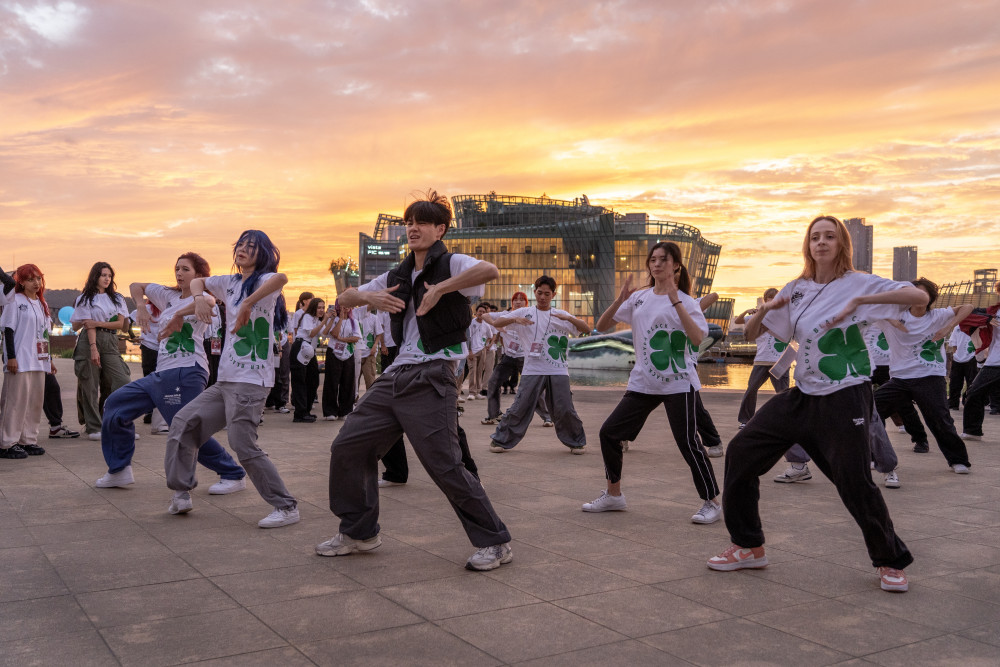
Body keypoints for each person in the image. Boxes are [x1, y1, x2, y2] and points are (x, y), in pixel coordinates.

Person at [707, 215, 926, 594]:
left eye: (829, 236)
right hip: (803, 396)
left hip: (845, 396)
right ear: (807, 245)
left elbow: (919, 297)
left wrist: (861, 300)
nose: (821, 242)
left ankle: (890, 561)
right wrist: (765, 307)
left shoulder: (860, 283)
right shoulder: (798, 288)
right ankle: (749, 546)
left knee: (854, 482)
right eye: (814, 237)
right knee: (741, 451)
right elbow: (754, 332)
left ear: (842, 243)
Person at [317, 190, 511, 571]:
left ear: (440, 229)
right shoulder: (397, 275)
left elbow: (490, 271)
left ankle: (495, 541)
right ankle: (359, 532)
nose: (413, 228)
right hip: (395, 373)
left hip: (434, 372)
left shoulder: (453, 262)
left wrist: (440, 288)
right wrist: (369, 299)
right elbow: (346, 296)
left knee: (444, 464)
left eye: (422, 222)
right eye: (409, 222)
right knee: (348, 446)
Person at [163, 230, 299, 528]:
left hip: (251, 382)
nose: (243, 250)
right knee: (184, 423)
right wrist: (198, 299)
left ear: (262, 253)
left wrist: (248, 303)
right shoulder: (229, 282)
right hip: (225, 381)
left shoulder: (264, 281)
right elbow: (199, 282)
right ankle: (182, 492)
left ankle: (286, 506)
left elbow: (282, 278)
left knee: (243, 444)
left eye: (251, 247)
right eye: (240, 245)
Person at [582, 243, 722, 524]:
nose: (656, 264)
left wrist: (675, 300)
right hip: (643, 382)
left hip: (678, 384)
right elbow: (602, 324)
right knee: (609, 432)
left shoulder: (688, 302)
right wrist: (620, 298)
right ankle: (614, 494)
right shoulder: (640, 298)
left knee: (688, 443)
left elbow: (697, 339)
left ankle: (711, 502)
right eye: (653, 260)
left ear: (676, 266)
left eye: (663, 260)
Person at [94, 253, 247, 493]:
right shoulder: (168, 295)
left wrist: (177, 314)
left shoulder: (204, 295)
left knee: (186, 428)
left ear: (198, 275)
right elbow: (137, 286)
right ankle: (119, 470)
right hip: (161, 373)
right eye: (177, 268)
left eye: (185, 269)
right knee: (116, 406)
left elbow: (207, 303)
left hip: (187, 371)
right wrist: (142, 306)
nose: (179, 273)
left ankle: (233, 473)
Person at [875, 278, 973, 472]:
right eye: (914, 293)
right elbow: (869, 307)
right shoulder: (894, 316)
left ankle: (958, 460)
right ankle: (871, 455)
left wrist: (948, 327)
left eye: (923, 294)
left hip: (930, 376)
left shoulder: (938, 315)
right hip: (900, 379)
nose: (919, 297)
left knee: (940, 419)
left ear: (930, 298)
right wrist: (890, 318)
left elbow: (968, 306)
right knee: (870, 411)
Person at [484, 275, 590, 454]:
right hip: (532, 368)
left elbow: (586, 329)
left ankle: (575, 441)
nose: (542, 297)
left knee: (564, 406)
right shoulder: (524, 312)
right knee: (521, 405)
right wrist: (514, 320)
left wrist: (570, 319)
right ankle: (501, 439)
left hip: (558, 369)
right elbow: (497, 322)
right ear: (535, 292)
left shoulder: (561, 315)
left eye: (547, 294)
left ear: (553, 294)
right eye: (539, 293)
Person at [71, 262, 132, 440]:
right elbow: (87, 326)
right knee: (90, 385)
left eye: (109, 276)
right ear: (95, 276)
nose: (107, 279)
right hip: (89, 341)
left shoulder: (117, 298)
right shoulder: (85, 298)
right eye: (103, 275)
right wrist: (93, 348)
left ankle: (111, 421)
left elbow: (120, 324)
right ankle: (93, 427)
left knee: (122, 380)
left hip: (110, 340)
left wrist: (98, 323)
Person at [1, 265, 54, 459]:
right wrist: (11, 357)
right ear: (21, 282)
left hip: (38, 360)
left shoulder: (42, 304)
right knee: (15, 402)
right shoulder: (14, 300)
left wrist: (49, 359)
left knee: (34, 402)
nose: (36, 283)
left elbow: (45, 334)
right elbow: (8, 329)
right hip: (20, 359)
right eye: (30, 279)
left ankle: (28, 439)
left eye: (38, 278)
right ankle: (7, 442)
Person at [735, 289, 790, 428]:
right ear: (765, 300)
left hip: (781, 361)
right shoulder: (758, 316)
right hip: (762, 360)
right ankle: (745, 420)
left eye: (774, 297)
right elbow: (738, 320)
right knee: (751, 389)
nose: (771, 300)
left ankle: (787, 421)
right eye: (769, 298)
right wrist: (748, 311)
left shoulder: (785, 315)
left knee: (784, 393)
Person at [961, 281, 1000, 441]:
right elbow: (966, 315)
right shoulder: (994, 312)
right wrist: (986, 319)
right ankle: (972, 431)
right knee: (974, 392)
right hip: (995, 362)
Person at [290, 297, 326, 422]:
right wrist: (324, 321)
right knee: (300, 381)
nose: (321, 310)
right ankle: (300, 413)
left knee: (313, 380)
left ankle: (306, 410)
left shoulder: (317, 320)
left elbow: (324, 333)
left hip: (310, 350)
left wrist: (330, 320)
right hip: (301, 347)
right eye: (319, 307)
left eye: (323, 307)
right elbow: (311, 333)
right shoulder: (307, 317)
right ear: (314, 308)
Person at [321, 301, 359, 421]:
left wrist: (342, 339)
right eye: (343, 305)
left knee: (348, 382)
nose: (346, 308)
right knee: (331, 382)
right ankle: (330, 411)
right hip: (334, 352)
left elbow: (356, 337)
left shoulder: (354, 321)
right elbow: (333, 333)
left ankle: (346, 410)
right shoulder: (334, 319)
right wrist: (341, 319)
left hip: (348, 353)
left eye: (348, 305)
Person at [947, 325, 977, 410]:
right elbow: (954, 343)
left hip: (972, 357)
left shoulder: (976, 326)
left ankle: (969, 402)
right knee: (954, 382)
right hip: (958, 359)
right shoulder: (957, 327)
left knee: (971, 383)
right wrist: (955, 355)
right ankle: (953, 403)